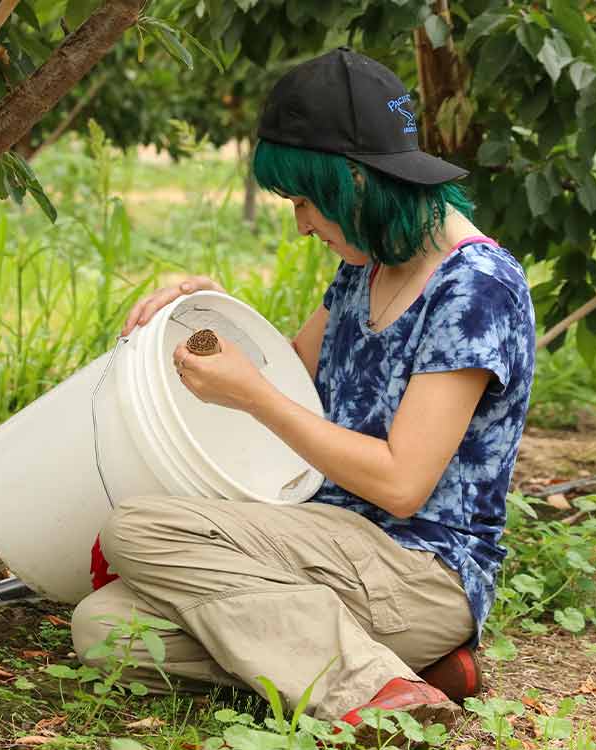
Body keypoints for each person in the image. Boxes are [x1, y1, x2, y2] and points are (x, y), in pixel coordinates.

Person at [71, 47, 536, 733]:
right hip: (329, 548)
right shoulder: (368, 264)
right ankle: (403, 662)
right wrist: (206, 318)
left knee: (139, 530)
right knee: (103, 628)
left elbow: (403, 483)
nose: (301, 224)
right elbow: (291, 372)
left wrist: (254, 394)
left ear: (354, 181)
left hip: (419, 568)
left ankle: (370, 687)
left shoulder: (475, 290)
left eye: (304, 201)